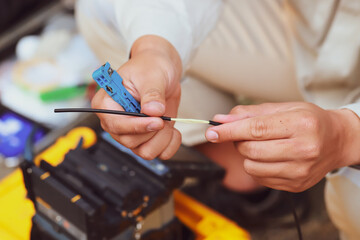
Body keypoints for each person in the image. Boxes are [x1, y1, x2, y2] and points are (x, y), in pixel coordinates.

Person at [76, 0, 360, 238]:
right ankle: (256, 183)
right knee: (101, 8)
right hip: (320, 25)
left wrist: (347, 135)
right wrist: (155, 51)